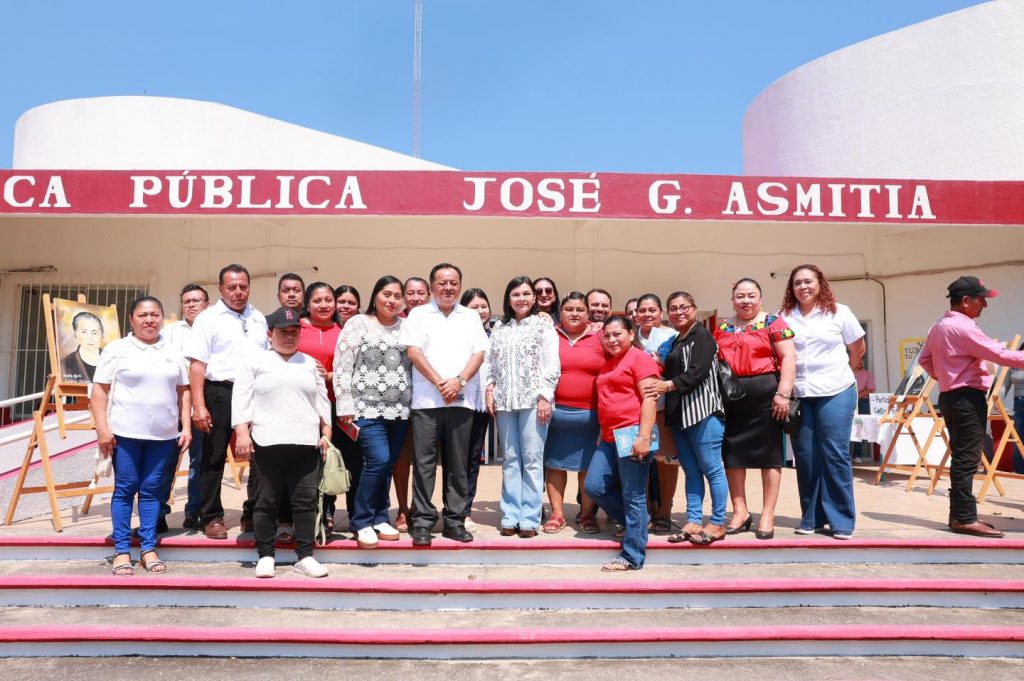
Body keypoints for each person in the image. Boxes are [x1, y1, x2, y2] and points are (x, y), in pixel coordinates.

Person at [918, 276, 1024, 538]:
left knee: (962, 458)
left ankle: (961, 516)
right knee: (967, 459)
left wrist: (946, 377)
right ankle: (964, 518)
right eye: (981, 299)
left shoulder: (939, 325)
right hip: (966, 398)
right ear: (966, 301)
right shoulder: (963, 328)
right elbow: (1001, 356)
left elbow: (924, 359)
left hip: (951, 396)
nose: (984, 305)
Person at [91, 296, 190, 576]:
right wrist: (102, 429)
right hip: (125, 434)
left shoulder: (172, 350)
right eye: (143, 315)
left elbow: (184, 391)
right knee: (125, 489)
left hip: (164, 436)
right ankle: (122, 551)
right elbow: (100, 391)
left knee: (151, 493)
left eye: (155, 315)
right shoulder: (117, 349)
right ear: (132, 320)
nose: (150, 320)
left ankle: (148, 548)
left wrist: (186, 427)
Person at [233, 307, 332, 578]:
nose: (289, 337)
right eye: (283, 332)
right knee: (266, 501)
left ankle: (305, 556)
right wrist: (242, 432)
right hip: (267, 441)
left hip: (305, 443)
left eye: (294, 332)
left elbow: (322, 402)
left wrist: (326, 433)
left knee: (304, 501)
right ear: (270, 334)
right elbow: (241, 400)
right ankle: (265, 555)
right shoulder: (254, 362)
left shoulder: (310, 363)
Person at [398, 263, 489, 546]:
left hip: (461, 402)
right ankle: (423, 521)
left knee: (458, 464)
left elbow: (479, 353)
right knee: (424, 463)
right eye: (442, 283)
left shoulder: (470, 316)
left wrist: (459, 382)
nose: (448, 288)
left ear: (460, 285)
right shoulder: (419, 314)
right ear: (432, 285)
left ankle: (454, 521)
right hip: (427, 401)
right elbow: (413, 352)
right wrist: (441, 382)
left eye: (453, 283)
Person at [780, 265, 865, 540]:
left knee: (834, 453)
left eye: (808, 281)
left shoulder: (840, 312)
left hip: (836, 389)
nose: (803, 287)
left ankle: (841, 519)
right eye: (797, 283)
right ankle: (812, 517)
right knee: (805, 457)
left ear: (820, 283)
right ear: (791, 288)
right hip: (801, 393)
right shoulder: (784, 317)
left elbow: (857, 347)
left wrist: (847, 372)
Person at [185, 264, 269, 539]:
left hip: (254, 393)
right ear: (220, 289)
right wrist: (199, 406)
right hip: (219, 392)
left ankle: (252, 512)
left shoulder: (258, 317)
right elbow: (197, 365)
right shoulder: (207, 319)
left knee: (260, 456)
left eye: (243, 286)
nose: (238, 292)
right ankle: (211, 516)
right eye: (231, 287)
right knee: (213, 457)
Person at [713, 278, 796, 540]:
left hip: (766, 397)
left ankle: (768, 514)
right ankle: (740, 511)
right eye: (740, 296)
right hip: (732, 398)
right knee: (733, 454)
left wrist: (783, 394)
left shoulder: (773, 322)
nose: (745, 301)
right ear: (732, 299)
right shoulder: (723, 326)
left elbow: (789, 358)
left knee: (769, 456)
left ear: (760, 298)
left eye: (751, 296)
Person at [334, 276, 411, 549]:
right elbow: (342, 365)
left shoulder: (407, 327)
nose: (392, 300)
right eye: (386, 294)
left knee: (388, 463)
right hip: (366, 407)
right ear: (375, 296)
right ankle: (361, 521)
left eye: (397, 296)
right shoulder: (358, 323)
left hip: (400, 410)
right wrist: (344, 405)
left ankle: (381, 517)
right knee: (376, 460)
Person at [644, 291, 728, 545]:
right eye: (673, 308)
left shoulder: (702, 336)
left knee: (712, 469)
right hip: (680, 416)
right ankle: (693, 520)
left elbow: (697, 373)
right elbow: (662, 364)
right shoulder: (675, 340)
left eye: (684, 307)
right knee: (691, 471)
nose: (679, 312)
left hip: (704, 413)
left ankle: (717, 522)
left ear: (694, 308)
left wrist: (666, 386)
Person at [487, 276, 560, 538]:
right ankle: (510, 515)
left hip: (533, 402)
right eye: (516, 294)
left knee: (532, 460)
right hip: (506, 401)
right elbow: (491, 363)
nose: (522, 299)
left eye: (526, 294)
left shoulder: (543, 326)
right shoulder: (499, 327)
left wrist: (544, 396)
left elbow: (552, 365)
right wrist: (489, 388)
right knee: (510, 459)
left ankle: (529, 517)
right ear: (508, 298)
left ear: (533, 298)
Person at [584, 316, 660, 571]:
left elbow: (649, 399)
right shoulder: (609, 364)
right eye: (607, 336)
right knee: (594, 486)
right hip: (608, 437)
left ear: (630, 333)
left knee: (633, 494)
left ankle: (632, 556)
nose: (612, 340)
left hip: (633, 434)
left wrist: (643, 437)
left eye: (617, 334)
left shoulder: (640, 358)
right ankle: (638, 521)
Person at [544, 292, 604, 533]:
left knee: (587, 467)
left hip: (591, 416)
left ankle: (587, 514)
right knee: (555, 465)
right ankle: (557, 515)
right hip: (554, 414)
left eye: (580, 309)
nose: (575, 313)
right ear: (560, 312)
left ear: (588, 313)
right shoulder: (550, 334)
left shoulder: (600, 335)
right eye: (569, 309)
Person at [160, 284, 209, 531]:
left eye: (197, 300)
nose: (191, 305)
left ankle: (195, 512)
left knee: (199, 462)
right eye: (187, 301)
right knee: (165, 461)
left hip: (201, 404)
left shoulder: (213, 328)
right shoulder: (169, 331)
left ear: (207, 304)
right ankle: (158, 512)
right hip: (171, 404)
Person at [297, 282, 342, 534]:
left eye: (328, 300)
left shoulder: (343, 331)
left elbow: (352, 368)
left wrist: (330, 375)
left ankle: (327, 510)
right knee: (306, 462)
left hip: (336, 404)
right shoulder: (298, 328)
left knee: (330, 459)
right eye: (317, 300)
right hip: (304, 405)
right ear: (307, 304)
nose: (324, 305)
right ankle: (303, 512)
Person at [635, 293, 679, 535]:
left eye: (652, 310)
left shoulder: (672, 336)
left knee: (666, 461)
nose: (647, 315)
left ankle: (664, 512)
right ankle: (644, 511)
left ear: (661, 313)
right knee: (639, 461)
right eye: (642, 310)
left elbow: (679, 369)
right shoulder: (631, 337)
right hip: (635, 410)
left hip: (663, 409)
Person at [392, 276, 431, 531]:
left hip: (430, 398)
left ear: (428, 295)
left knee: (426, 460)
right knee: (402, 459)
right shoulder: (396, 324)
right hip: (400, 401)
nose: (415, 297)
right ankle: (403, 509)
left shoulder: (434, 321)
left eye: (420, 293)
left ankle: (423, 507)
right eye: (410, 293)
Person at [330, 284, 364, 527]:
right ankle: (327, 512)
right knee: (328, 462)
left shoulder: (362, 329)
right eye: (341, 301)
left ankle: (356, 513)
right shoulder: (328, 329)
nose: (346, 306)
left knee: (355, 464)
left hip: (353, 408)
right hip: (326, 406)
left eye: (351, 303)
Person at [461, 287, 493, 529]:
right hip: (459, 402)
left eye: (484, 306)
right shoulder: (457, 333)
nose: (480, 311)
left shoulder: (497, 332)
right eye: (474, 307)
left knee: (472, 458)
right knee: (456, 459)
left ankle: (465, 509)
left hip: (485, 404)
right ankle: (454, 508)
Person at [60, 311, 104, 382]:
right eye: (84, 332)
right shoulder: (66, 364)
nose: (90, 337)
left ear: (101, 335)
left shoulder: (111, 359)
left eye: (94, 332)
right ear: (76, 335)